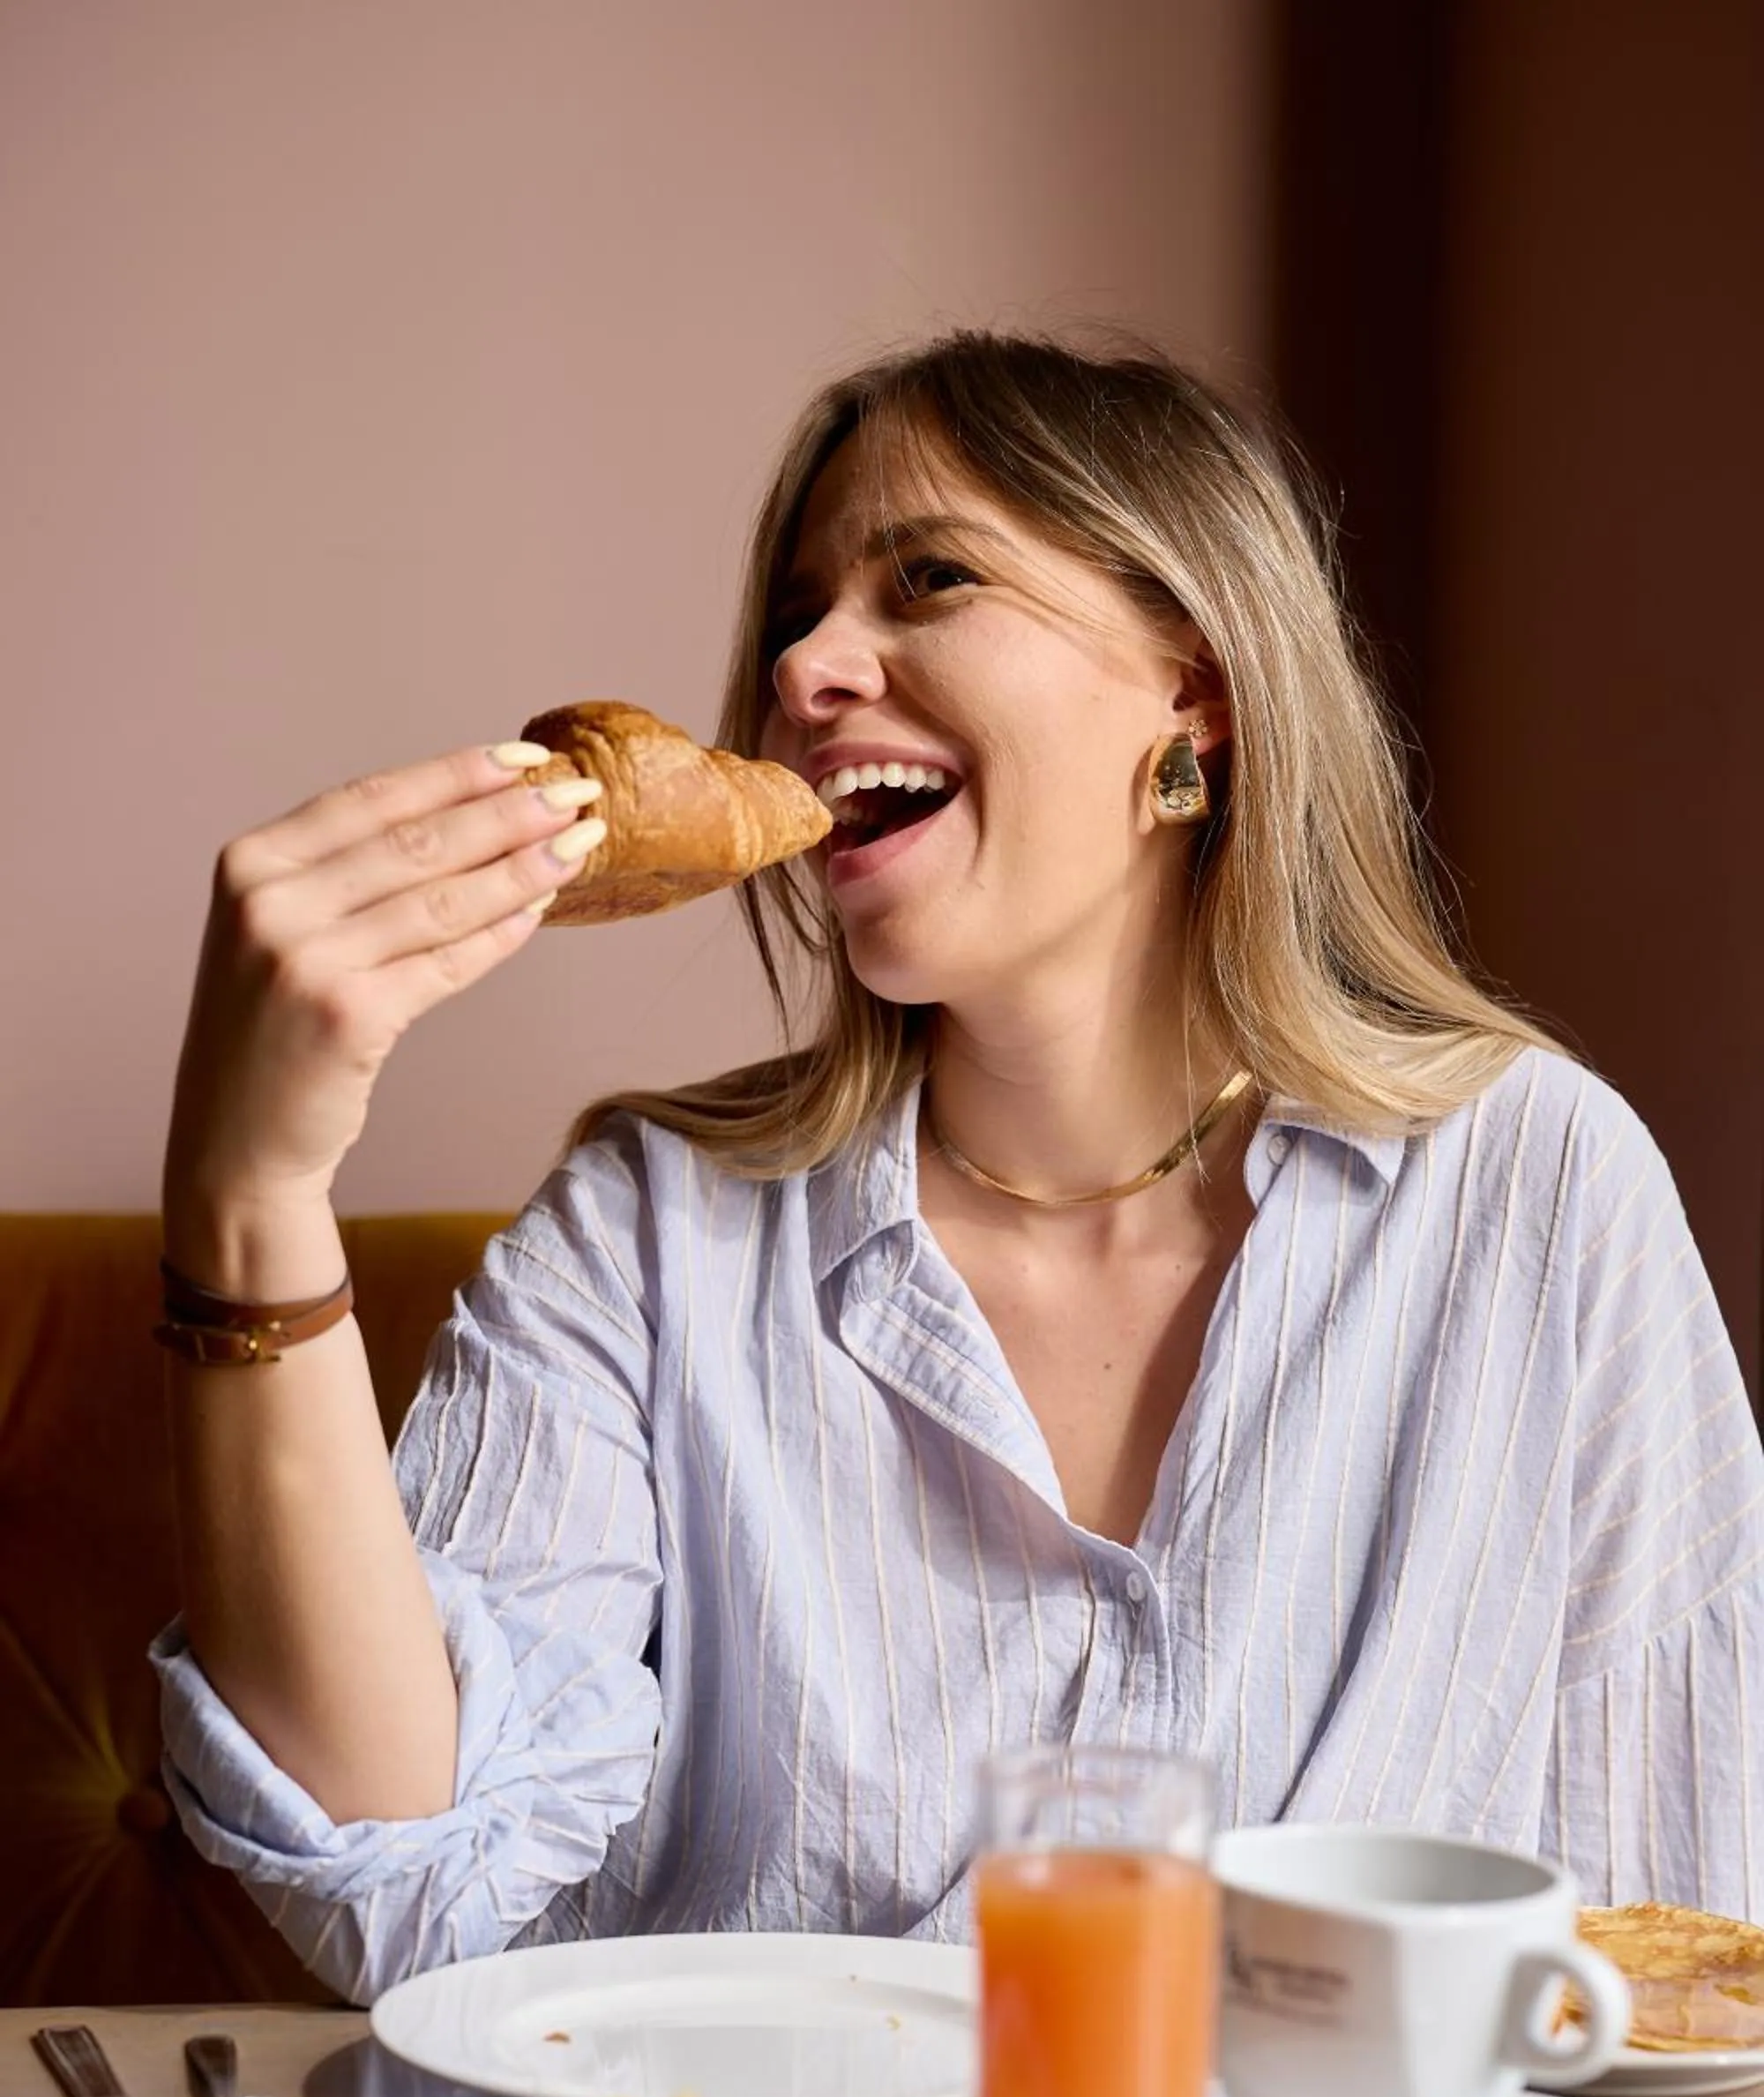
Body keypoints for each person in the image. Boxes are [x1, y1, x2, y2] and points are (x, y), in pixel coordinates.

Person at [153, 330, 1764, 2004]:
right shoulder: (646, 1234)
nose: (804, 673)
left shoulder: (1533, 1191)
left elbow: (1679, 1944)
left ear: (1194, 688)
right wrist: (251, 1194)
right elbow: (403, 1880)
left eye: (926, 579)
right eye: (796, 618)